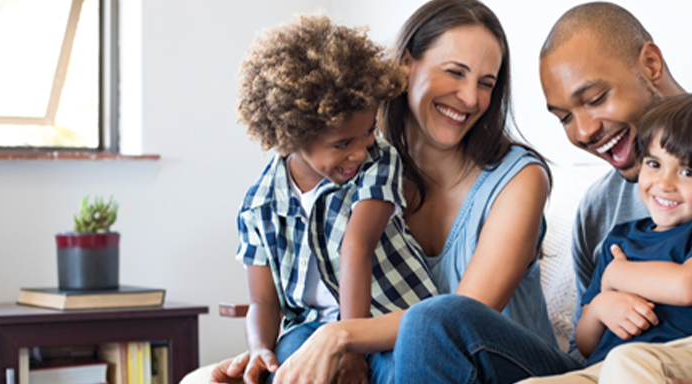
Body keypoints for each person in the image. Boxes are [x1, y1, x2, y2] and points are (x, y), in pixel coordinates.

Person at [396, 2, 692, 384]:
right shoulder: (598, 208)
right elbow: (588, 346)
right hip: (604, 372)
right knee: (434, 321)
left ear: (650, 63)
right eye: (563, 117)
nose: (583, 131)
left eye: (595, 98)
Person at [212, 1, 579, 383]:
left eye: (486, 83)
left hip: (503, 366)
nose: (470, 98)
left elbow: (461, 315)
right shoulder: (354, 169)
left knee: (428, 321)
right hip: (413, 362)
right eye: (455, 72)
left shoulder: (519, 178)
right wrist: (271, 353)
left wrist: (340, 335)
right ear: (405, 64)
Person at [232, 14, 438, 384]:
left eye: (368, 132)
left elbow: (355, 247)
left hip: (386, 317)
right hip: (309, 325)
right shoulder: (259, 206)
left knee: (398, 369)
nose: (359, 152)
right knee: (286, 367)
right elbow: (263, 301)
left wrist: (350, 348)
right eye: (342, 144)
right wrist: (260, 347)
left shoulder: (379, 161)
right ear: (293, 136)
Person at [526, 93, 692, 384]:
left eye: (688, 171)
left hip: (681, 362)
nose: (664, 183)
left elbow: (687, 286)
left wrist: (616, 275)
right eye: (654, 164)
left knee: (627, 363)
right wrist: (599, 308)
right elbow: (585, 344)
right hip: (604, 368)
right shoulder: (620, 240)